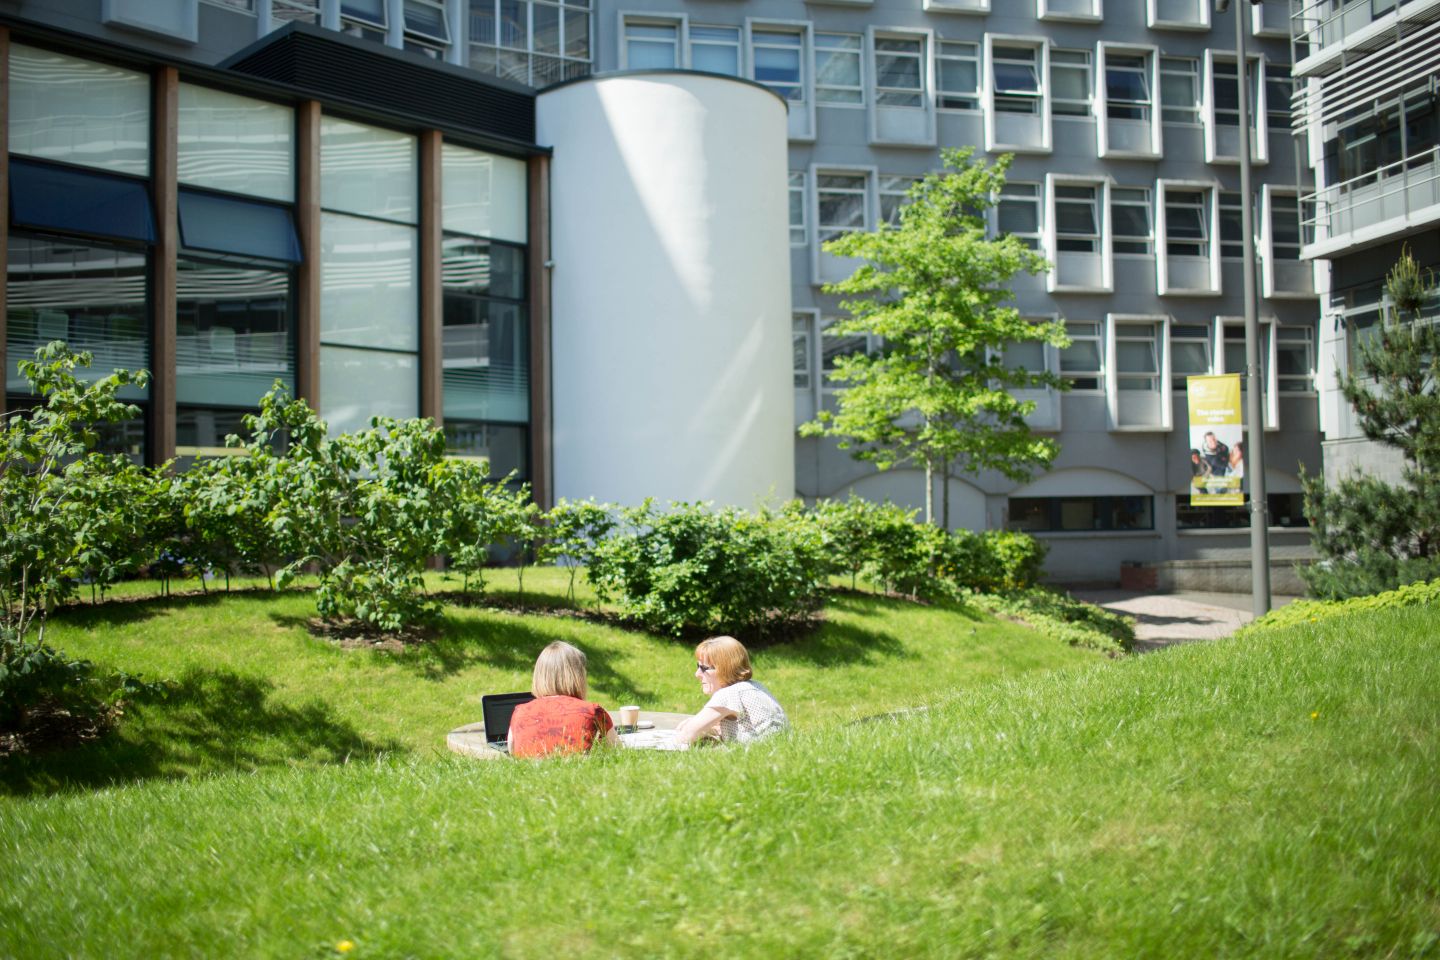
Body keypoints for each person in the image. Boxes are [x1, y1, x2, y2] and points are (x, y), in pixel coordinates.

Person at [508, 641, 617, 758]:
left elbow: (512, 751)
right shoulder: (592, 711)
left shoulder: (519, 712)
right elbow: (617, 752)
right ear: (577, 676)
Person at [674, 636, 788, 748]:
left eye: (704, 668)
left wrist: (693, 727)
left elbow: (686, 736)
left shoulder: (728, 694)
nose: (697, 674)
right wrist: (710, 729)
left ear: (725, 669)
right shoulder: (756, 686)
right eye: (698, 666)